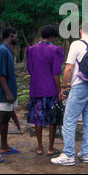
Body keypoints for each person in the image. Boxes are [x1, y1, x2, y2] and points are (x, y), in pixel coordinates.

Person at [51, 26, 88, 166]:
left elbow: (69, 67)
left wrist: (63, 87)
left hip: (79, 87)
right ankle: (85, 155)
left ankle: (69, 155)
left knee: (69, 121)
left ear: (80, 32)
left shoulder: (76, 44)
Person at [26, 25, 64, 157]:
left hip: (36, 89)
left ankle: (40, 147)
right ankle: (51, 148)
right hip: (51, 89)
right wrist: (59, 90)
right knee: (52, 118)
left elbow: (30, 70)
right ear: (52, 37)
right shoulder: (56, 50)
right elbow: (56, 73)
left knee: (38, 118)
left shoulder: (31, 50)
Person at [0, 26, 20, 163]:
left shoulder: (7, 51)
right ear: (11, 35)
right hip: (3, 94)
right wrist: (7, 93)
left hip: (8, 93)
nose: (17, 38)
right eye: (16, 35)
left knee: (6, 119)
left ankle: (4, 146)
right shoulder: (2, 51)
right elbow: (1, 75)